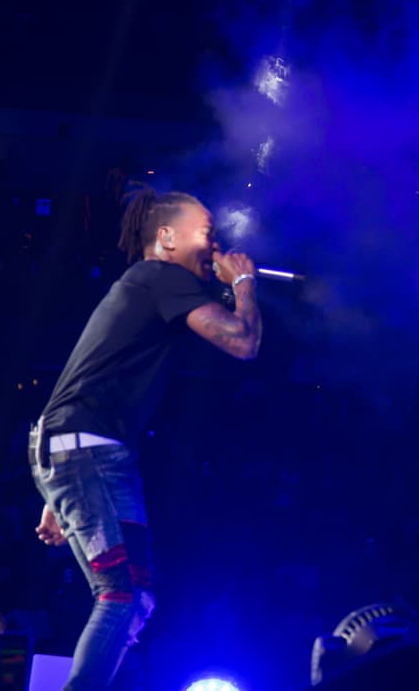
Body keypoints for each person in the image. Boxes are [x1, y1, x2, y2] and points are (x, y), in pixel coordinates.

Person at [29, 187, 262, 689]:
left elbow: (82, 373)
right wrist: (243, 284)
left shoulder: (147, 285)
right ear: (166, 237)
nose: (214, 245)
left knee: (135, 598)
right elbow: (243, 341)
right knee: (121, 596)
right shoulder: (160, 277)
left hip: (85, 452)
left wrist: (59, 489)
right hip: (87, 451)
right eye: (207, 234)